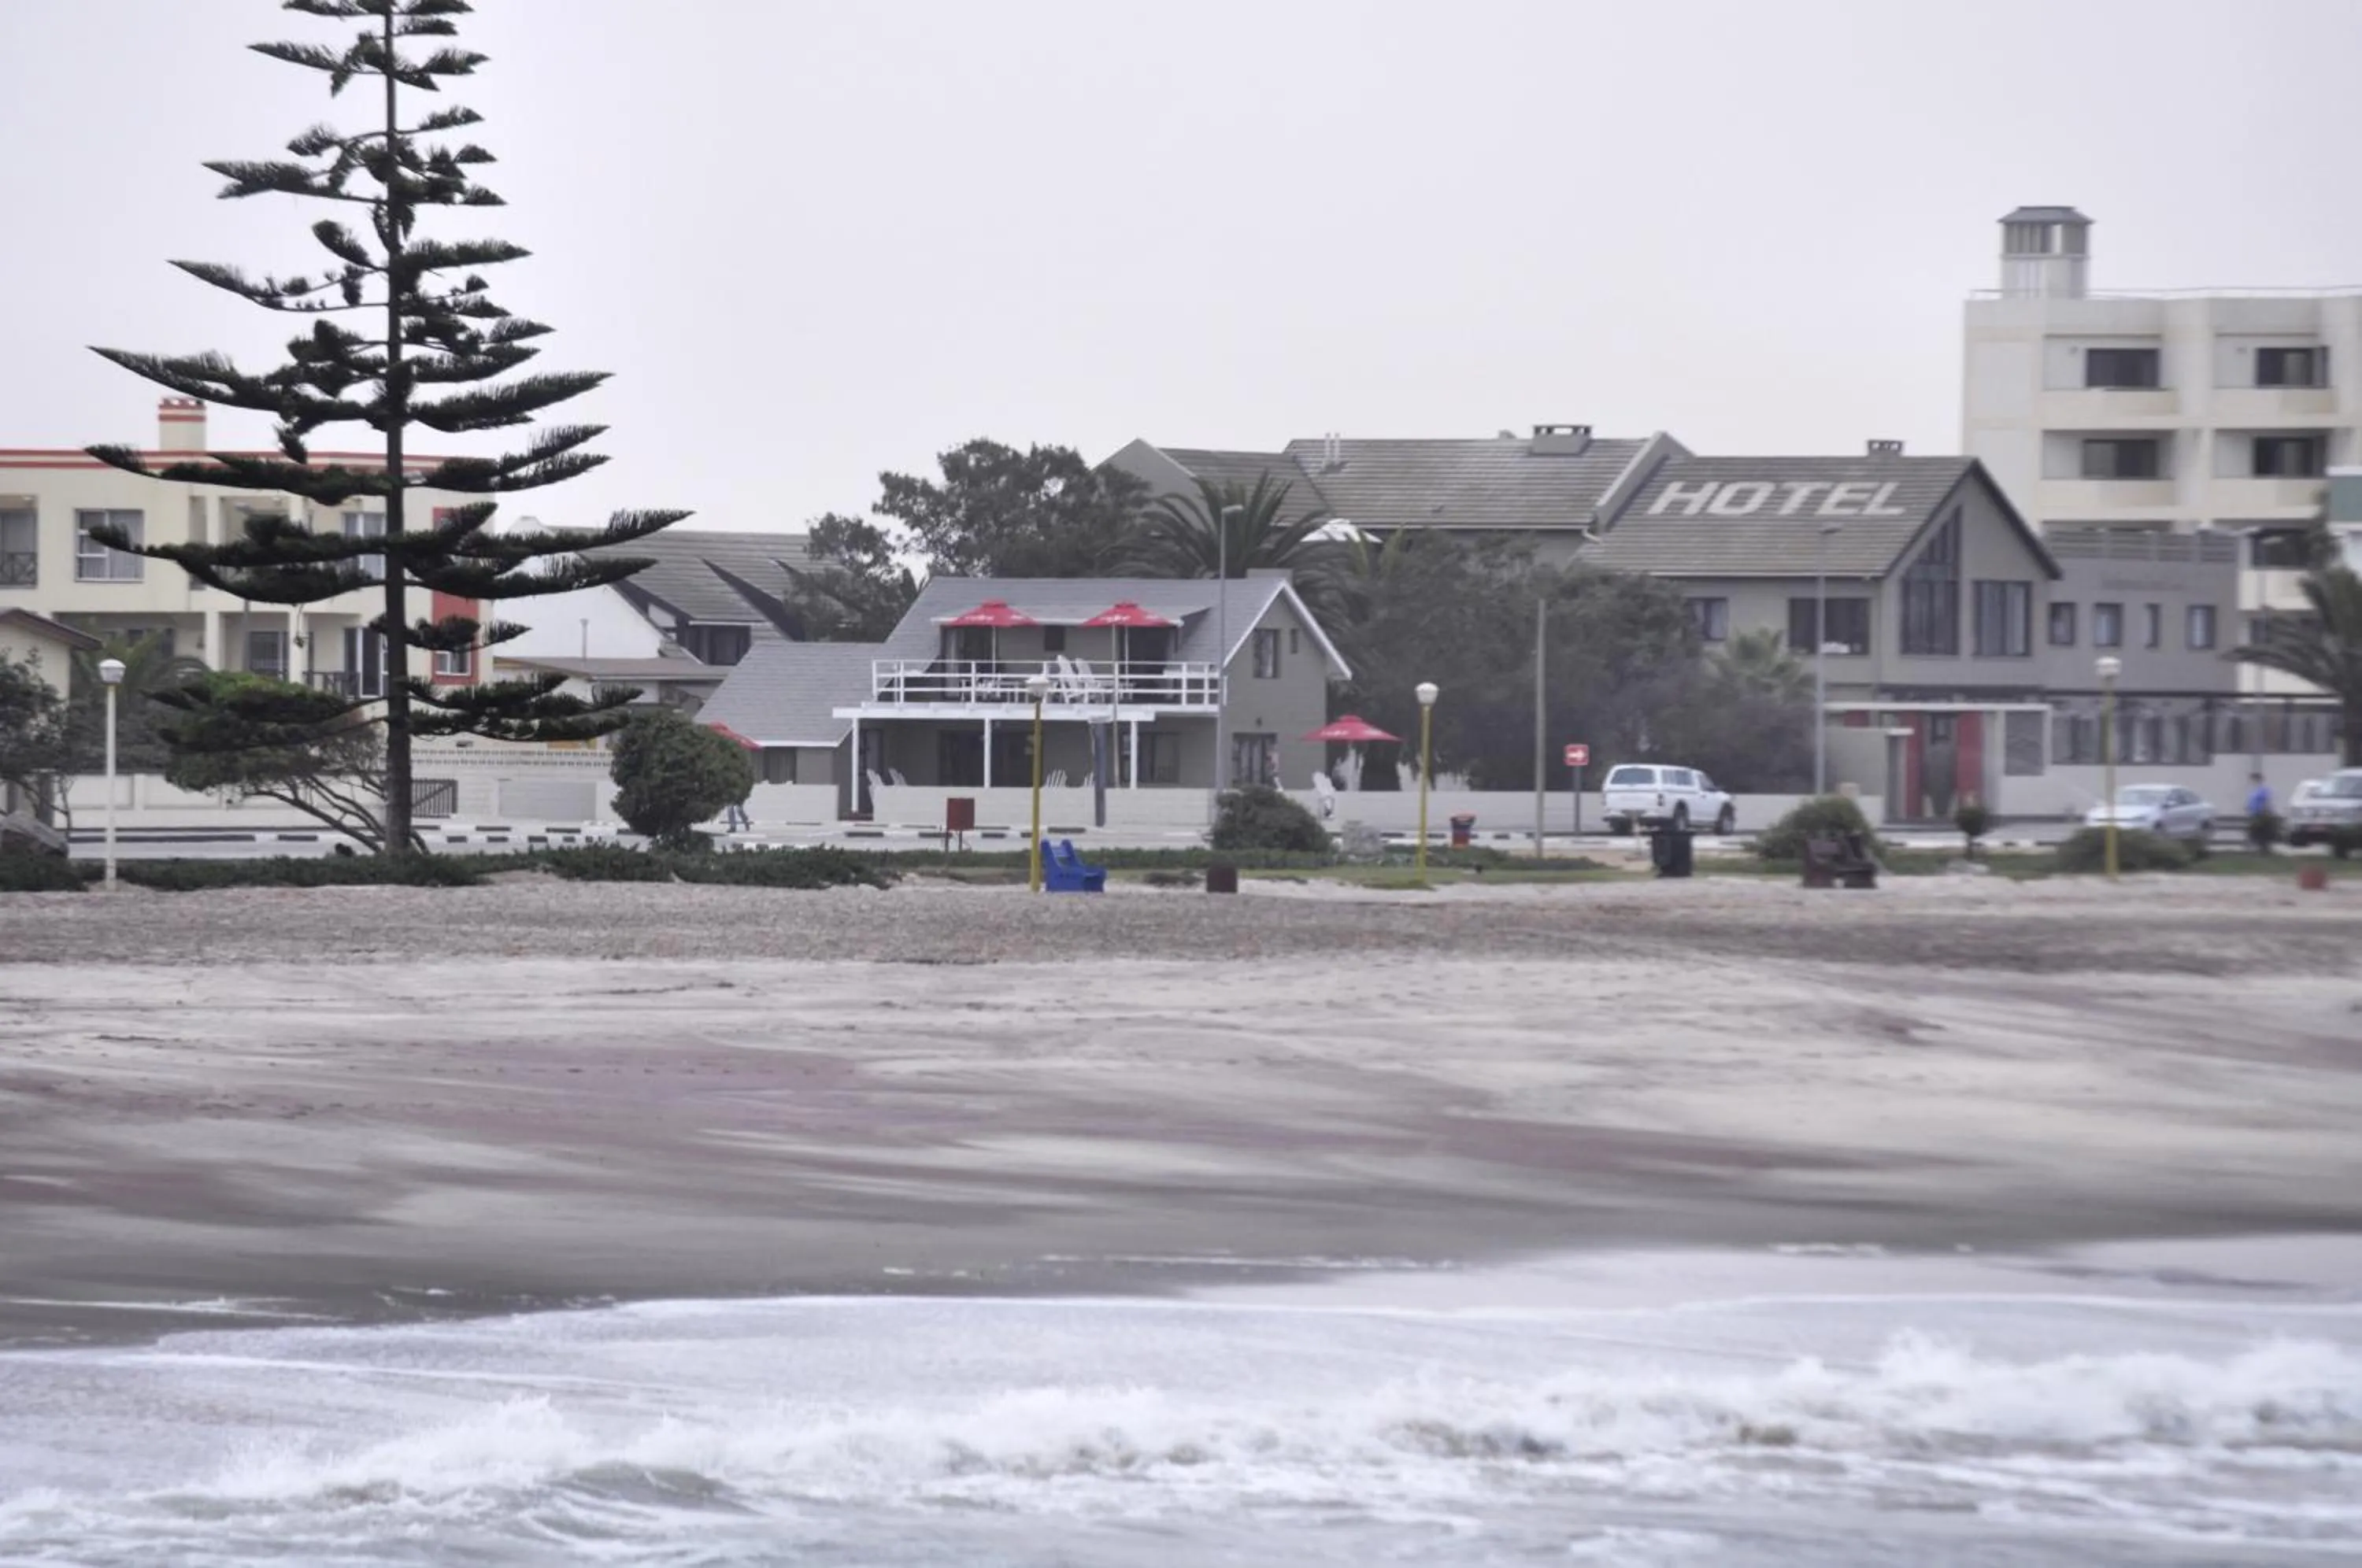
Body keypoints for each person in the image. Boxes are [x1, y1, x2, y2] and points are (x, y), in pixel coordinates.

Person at [2245, 772, 2274, 854]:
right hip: (2254, 813)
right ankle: (2259, 847)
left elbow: (2266, 802)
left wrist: (2266, 812)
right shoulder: (2254, 790)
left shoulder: (2263, 789)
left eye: (2254, 779)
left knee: (2260, 830)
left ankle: (2264, 848)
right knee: (2255, 830)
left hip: (2261, 814)